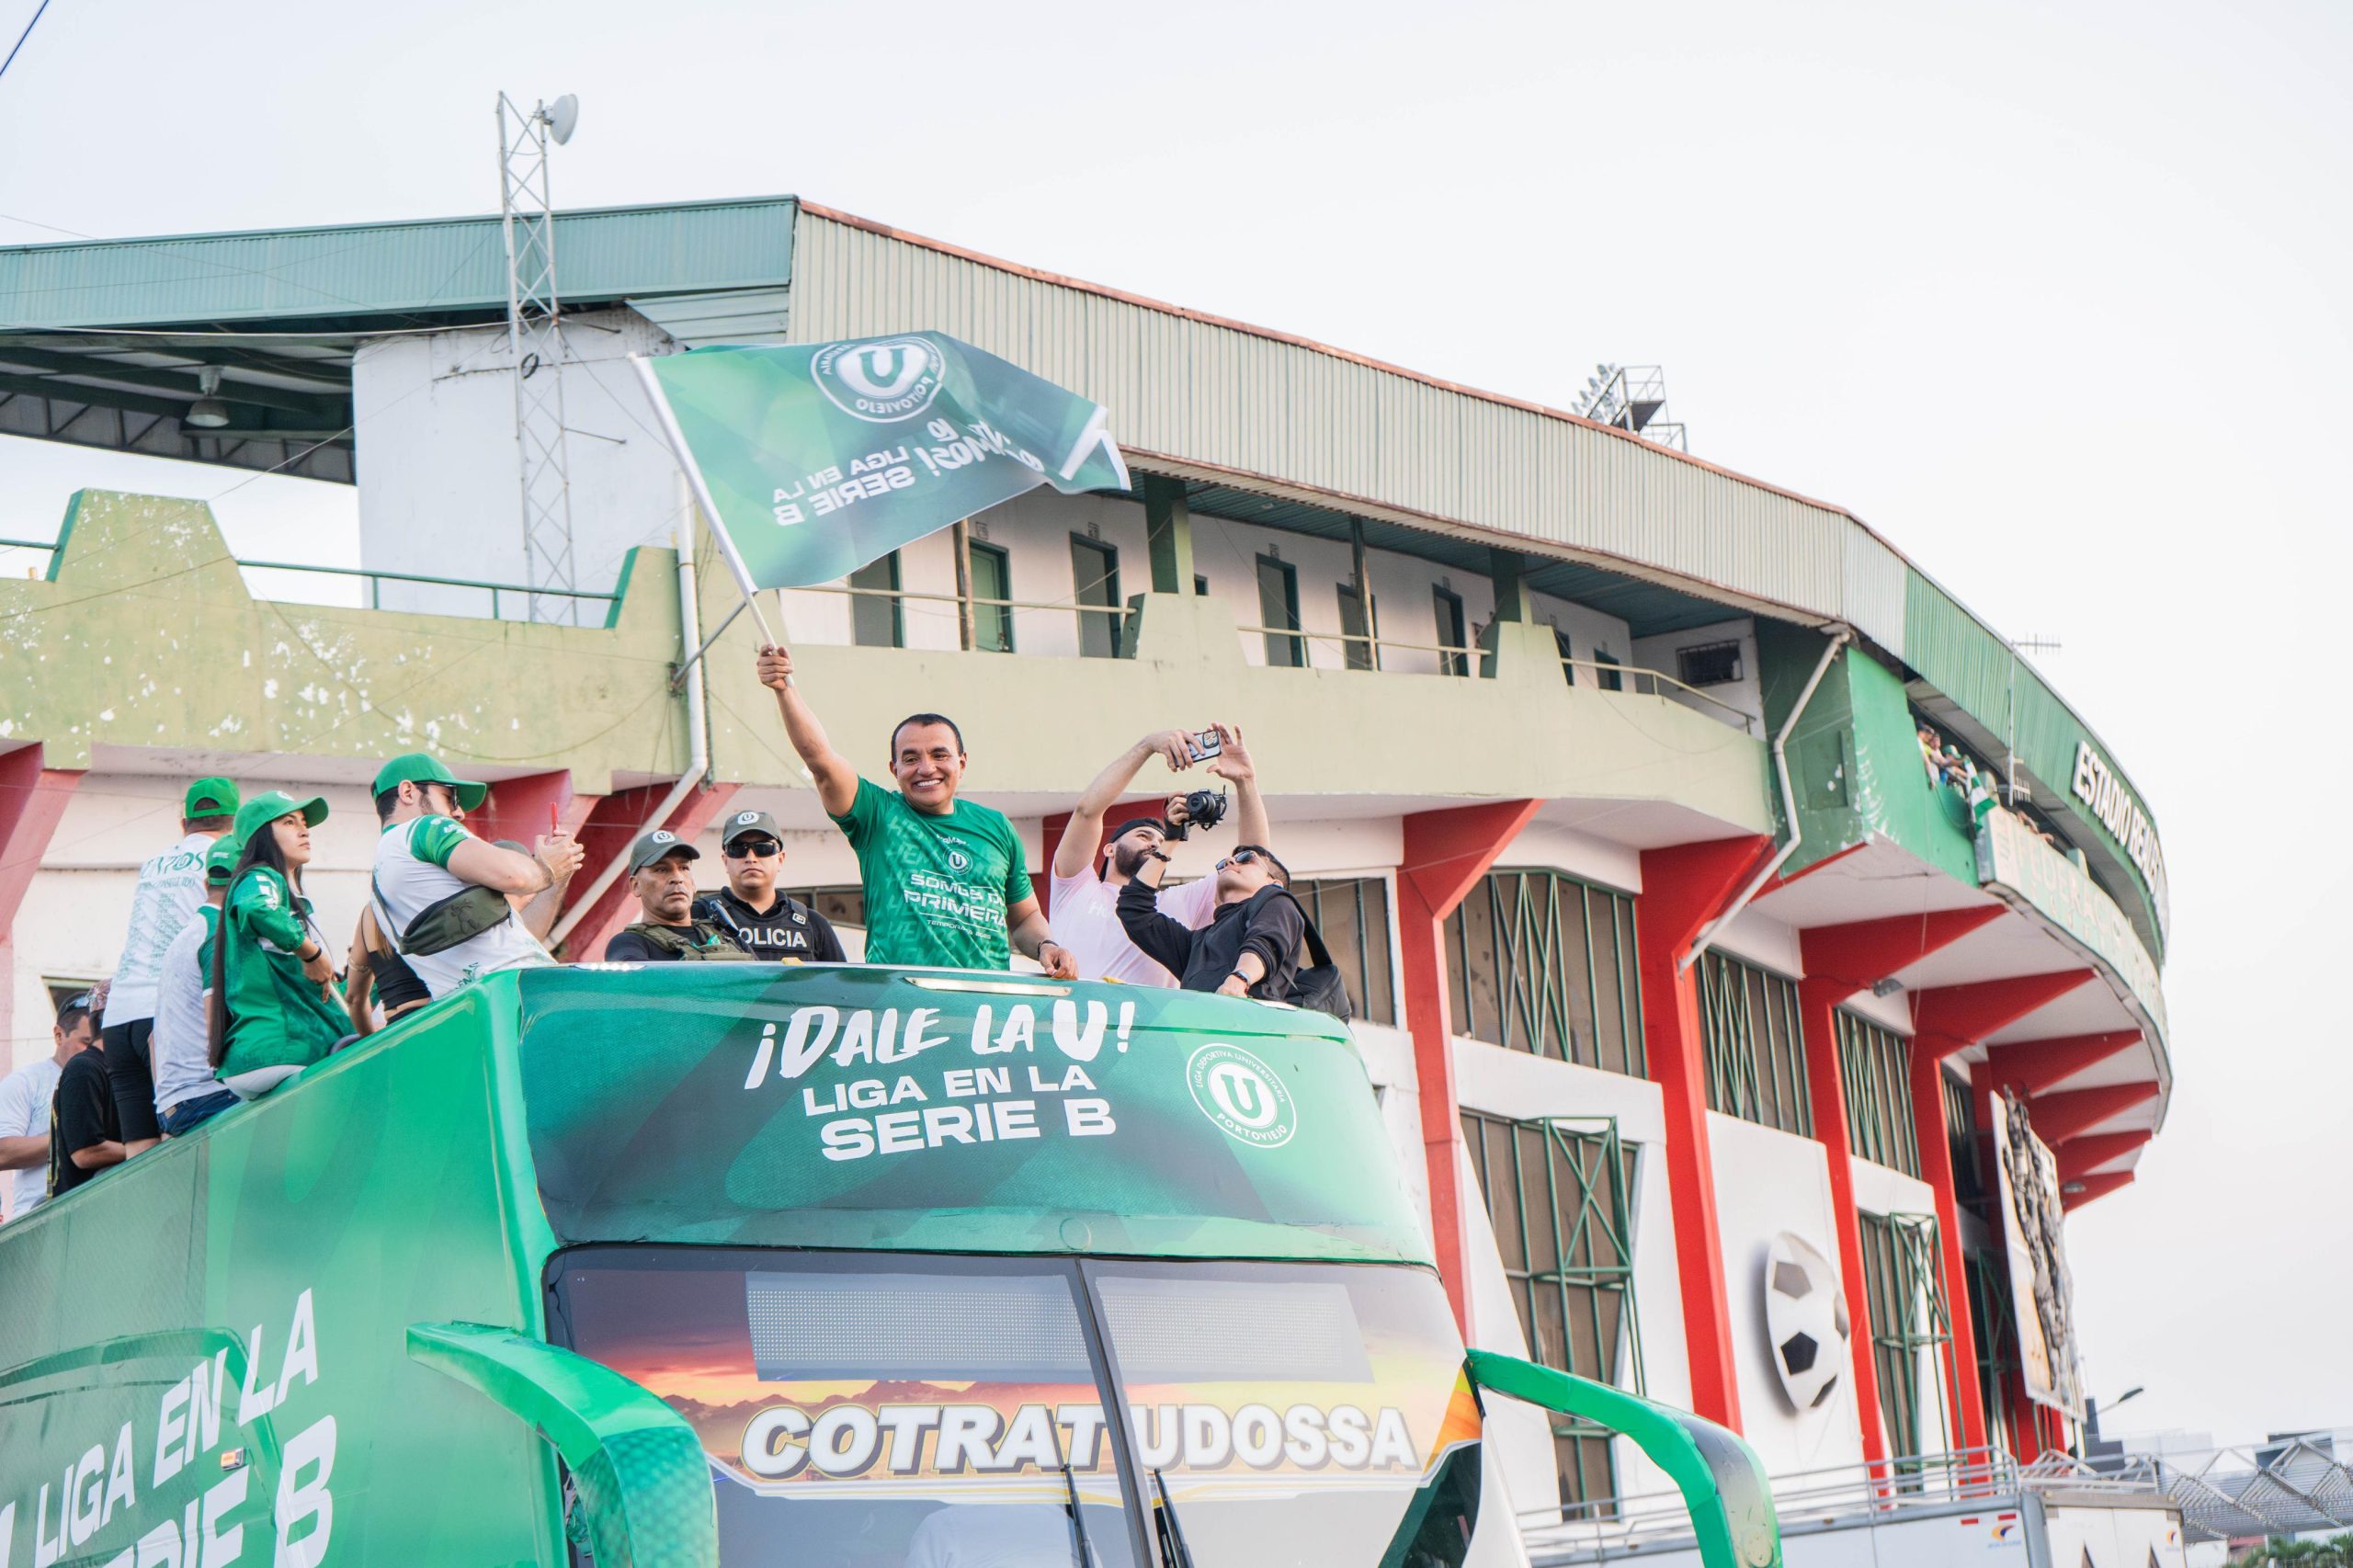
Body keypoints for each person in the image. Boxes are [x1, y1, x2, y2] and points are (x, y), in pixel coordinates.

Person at [756, 643, 1074, 976]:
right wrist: (784, 690)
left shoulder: (997, 827)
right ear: (894, 769)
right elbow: (820, 760)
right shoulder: (876, 815)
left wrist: (1046, 946)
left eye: (940, 755)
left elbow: (1024, 918)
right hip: (899, 999)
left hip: (984, 1000)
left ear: (961, 763)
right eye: (910, 759)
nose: (926, 768)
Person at [1049, 723, 1269, 984]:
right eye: (1143, 836)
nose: (1155, 843)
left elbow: (1255, 861)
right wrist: (1147, 746)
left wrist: (1246, 782)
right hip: (1070, 1010)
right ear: (1109, 849)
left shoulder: (1180, 901)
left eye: (1161, 841)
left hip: (1149, 1014)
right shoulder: (1076, 888)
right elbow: (1087, 811)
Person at [97, 777, 239, 1156]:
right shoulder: (222, 860)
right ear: (234, 824)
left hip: (119, 1017)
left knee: (139, 1152)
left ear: (183, 822)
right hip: (163, 1017)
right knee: (177, 1140)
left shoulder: (152, 864)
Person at [369, 752, 583, 998]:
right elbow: (515, 877)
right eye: (450, 798)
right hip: (526, 990)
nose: (459, 813)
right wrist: (548, 866)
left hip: (483, 1003)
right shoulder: (423, 828)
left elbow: (520, 936)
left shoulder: (378, 885)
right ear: (408, 792)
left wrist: (558, 877)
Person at [209, 791, 347, 1096]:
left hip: (276, 1052)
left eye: (304, 822)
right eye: (288, 822)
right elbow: (257, 908)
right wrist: (312, 955)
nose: (304, 830)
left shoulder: (286, 892)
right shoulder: (260, 876)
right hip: (280, 1047)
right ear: (261, 836)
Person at [1117, 845, 1307, 999]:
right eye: (1223, 863)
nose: (1230, 862)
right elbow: (1134, 910)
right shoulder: (1197, 943)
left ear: (1273, 883)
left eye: (1246, 859)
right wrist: (1169, 843)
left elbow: (1265, 944)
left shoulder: (1278, 900)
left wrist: (1240, 978)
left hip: (1248, 1029)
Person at [148, 836, 245, 1137]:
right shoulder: (220, 934)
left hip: (173, 1102)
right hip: (207, 1096)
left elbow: (152, 1039)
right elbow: (218, 1022)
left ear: (205, 885)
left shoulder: (188, 934)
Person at [694, 809, 847, 962]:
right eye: (738, 849)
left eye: (763, 848)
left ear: (780, 859)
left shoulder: (814, 924)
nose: (751, 858)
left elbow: (840, 977)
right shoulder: (698, 915)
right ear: (725, 861)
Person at [0, 992, 97, 1221]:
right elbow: (3, 1153)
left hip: (96, 1215)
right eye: (86, 1042)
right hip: (39, 1218)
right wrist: (74, 1139)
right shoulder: (26, 1081)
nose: (94, 1051)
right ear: (58, 1035)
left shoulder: (109, 1079)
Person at [602, 831, 757, 961]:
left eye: (683, 868)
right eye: (662, 870)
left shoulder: (728, 937)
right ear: (636, 885)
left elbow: (765, 981)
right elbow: (633, 982)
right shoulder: (629, 943)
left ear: (693, 884)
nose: (677, 878)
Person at [48, 993, 122, 1199]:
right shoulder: (83, 1068)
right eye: (84, 1041)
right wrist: (147, 1148)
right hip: (88, 1208)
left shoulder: (119, 1069)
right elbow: (85, 1152)